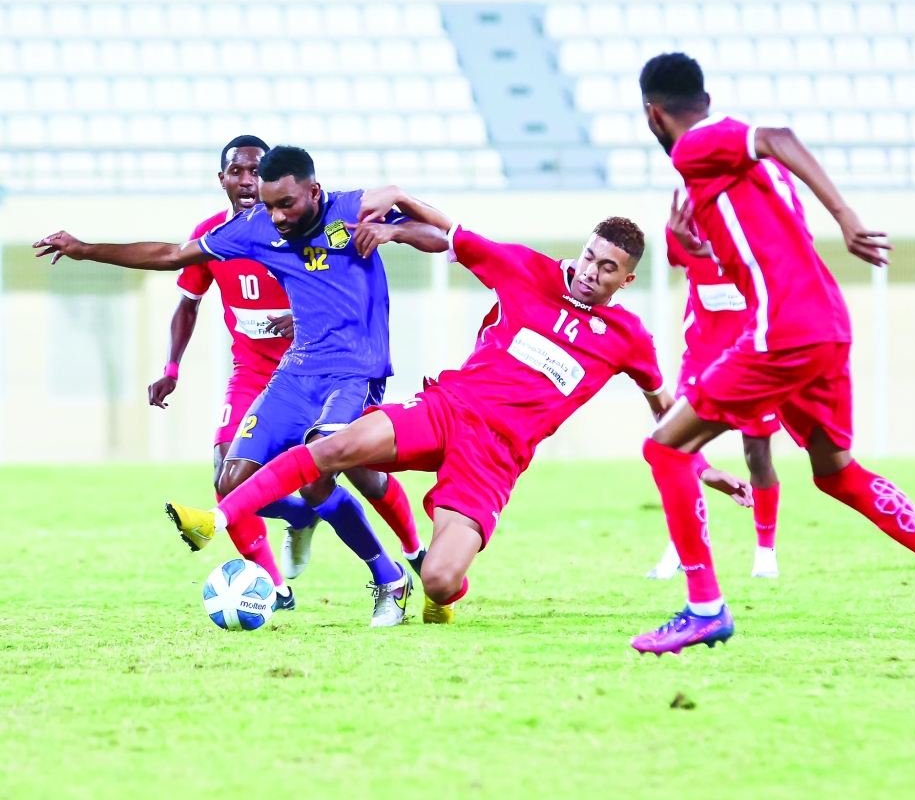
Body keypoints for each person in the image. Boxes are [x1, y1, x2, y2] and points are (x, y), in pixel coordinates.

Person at [161, 201, 754, 624]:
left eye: (607, 269)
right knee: (331, 448)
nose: (590, 273)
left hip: (494, 460)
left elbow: (666, 414)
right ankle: (216, 517)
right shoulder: (531, 272)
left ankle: (432, 587)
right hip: (447, 408)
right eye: (589, 257)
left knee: (443, 581)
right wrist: (395, 217)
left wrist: (704, 470)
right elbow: (452, 233)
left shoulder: (628, 338)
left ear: (625, 281)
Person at [631, 52, 915, 661]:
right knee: (835, 472)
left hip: (784, 332)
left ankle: (703, 608)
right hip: (825, 326)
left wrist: (847, 218)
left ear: (654, 114)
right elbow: (764, 245)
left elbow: (778, 137)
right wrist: (704, 246)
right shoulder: (737, 177)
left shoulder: (697, 147)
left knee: (665, 446)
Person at [34, 147, 442, 627]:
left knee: (321, 465)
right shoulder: (256, 228)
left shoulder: (352, 209)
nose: (276, 216)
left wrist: (395, 226)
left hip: (355, 373)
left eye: (286, 204)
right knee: (231, 480)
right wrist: (86, 250)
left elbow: (440, 236)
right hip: (295, 373)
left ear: (313, 191)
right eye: (269, 205)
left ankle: (389, 576)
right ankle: (315, 532)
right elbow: (171, 255)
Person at [147, 134, 299, 609]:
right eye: (238, 171)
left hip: (308, 371)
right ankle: (276, 588)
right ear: (223, 179)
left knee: (340, 477)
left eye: (257, 171)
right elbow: (187, 304)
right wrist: (172, 367)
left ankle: (405, 552)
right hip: (251, 372)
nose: (248, 180)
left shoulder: (298, 229)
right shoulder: (213, 236)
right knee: (224, 473)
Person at [647, 192, 781, 582]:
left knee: (757, 455)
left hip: (751, 361)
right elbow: (678, 255)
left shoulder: (758, 237)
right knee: (673, 445)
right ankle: (679, 548)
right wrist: (681, 234)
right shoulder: (685, 231)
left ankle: (765, 552)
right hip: (702, 361)